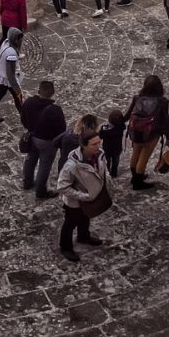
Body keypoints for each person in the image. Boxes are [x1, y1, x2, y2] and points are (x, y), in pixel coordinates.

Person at [56, 132, 112, 262]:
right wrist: (84, 196)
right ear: (83, 145)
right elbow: (62, 186)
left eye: (99, 142)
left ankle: (83, 236)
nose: (98, 146)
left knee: (86, 217)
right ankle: (65, 247)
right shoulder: (72, 165)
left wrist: (107, 179)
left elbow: (104, 168)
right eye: (94, 144)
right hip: (76, 202)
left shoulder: (100, 154)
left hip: (92, 197)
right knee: (70, 223)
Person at [124, 75, 169, 190]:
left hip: (135, 132)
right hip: (151, 134)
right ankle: (138, 183)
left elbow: (128, 114)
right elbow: (165, 120)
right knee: (143, 158)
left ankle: (134, 177)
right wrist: (168, 137)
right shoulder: (162, 102)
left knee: (135, 154)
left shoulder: (137, 98)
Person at [22, 81, 68, 199]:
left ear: (38, 91)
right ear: (52, 93)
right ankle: (40, 191)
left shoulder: (28, 103)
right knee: (44, 165)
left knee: (30, 159)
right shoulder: (55, 110)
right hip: (48, 141)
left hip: (32, 137)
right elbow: (62, 128)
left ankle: (27, 182)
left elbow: (23, 119)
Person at [0, 29, 24, 123]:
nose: (21, 42)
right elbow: (11, 73)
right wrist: (17, 87)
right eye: (19, 40)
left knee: (0, 94)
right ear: (15, 40)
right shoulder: (11, 53)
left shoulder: (5, 43)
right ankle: (26, 120)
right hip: (8, 79)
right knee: (18, 98)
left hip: (2, 75)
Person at [99, 109, 125, 177]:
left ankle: (107, 174)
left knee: (107, 161)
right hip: (117, 149)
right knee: (115, 162)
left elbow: (100, 136)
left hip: (107, 149)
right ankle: (114, 173)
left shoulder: (105, 128)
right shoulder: (121, 127)